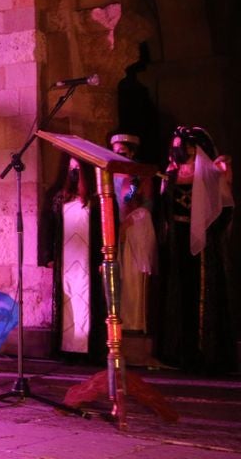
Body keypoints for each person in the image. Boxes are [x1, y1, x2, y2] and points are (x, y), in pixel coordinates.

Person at [154, 125, 234, 373]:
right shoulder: (169, 175)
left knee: (201, 295)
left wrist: (208, 232)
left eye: (184, 144)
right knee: (178, 293)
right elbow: (159, 208)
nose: (179, 148)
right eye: (176, 144)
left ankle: (204, 354)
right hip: (176, 243)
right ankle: (177, 350)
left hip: (203, 246)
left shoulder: (212, 174)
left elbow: (225, 208)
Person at [45, 155, 105, 363]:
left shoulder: (95, 201)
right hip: (66, 261)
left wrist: (103, 259)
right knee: (68, 301)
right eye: (70, 167)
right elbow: (51, 229)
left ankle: (86, 349)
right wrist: (50, 257)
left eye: (77, 168)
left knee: (86, 301)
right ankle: (67, 348)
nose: (73, 172)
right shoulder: (60, 198)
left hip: (88, 260)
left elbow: (103, 231)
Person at [108, 133, 156, 333]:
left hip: (134, 230)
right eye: (115, 151)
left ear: (132, 152)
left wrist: (127, 224)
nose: (118, 155)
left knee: (133, 277)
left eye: (122, 152)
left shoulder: (140, 176)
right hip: (112, 231)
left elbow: (146, 205)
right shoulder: (108, 175)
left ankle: (134, 324)